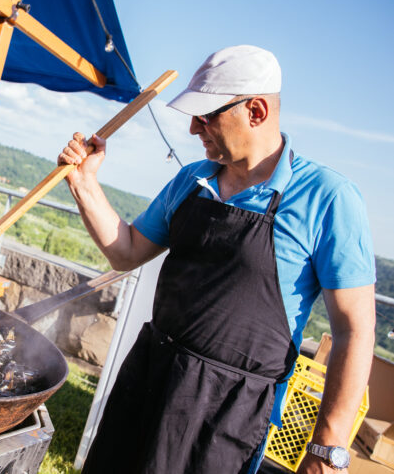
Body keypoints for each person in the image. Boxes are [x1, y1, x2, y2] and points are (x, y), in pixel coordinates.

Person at [58, 45, 376, 474]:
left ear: (257, 111)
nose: (192, 129)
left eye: (206, 116)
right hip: (148, 377)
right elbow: (126, 251)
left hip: (227, 415)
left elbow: (354, 331)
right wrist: (84, 183)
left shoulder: (328, 198)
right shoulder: (192, 179)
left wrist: (327, 448)